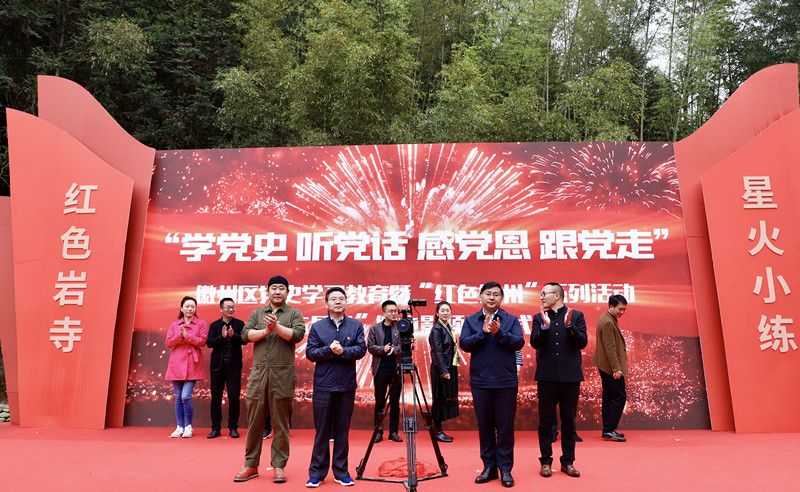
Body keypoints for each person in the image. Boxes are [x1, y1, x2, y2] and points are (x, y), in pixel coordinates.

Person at [233, 276, 306, 483]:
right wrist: (266, 330)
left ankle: (279, 466)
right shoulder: (257, 313)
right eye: (274, 288)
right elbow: (245, 335)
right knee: (255, 421)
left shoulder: (294, 313)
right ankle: (251, 464)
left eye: (282, 288)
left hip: (282, 375)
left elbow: (297, 335)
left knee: (281, 423)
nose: (277, 291)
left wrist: (277, 328)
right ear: (267, 292)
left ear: (287, 292)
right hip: (258, 375)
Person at [459, 282, 525, 488]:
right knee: (485, 426)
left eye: (496, 294)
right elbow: (464, 344)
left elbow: (519, 342)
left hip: (506, 381)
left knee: (505, 427)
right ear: (480, 297)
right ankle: (489, 467)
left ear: (502, 299)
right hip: (481, 382)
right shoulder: (471, 320)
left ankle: (505, 468)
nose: (492, 297)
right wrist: (484, 333)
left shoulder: (511, 319)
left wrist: (499, 333)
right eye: (488, 294)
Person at [305, 287, 367, 488]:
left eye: (341, 298)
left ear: (346, 302)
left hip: (346, 385)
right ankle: (317, 473)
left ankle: (341, 472)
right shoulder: (318, 327)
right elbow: (311, 353)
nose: (338, 302)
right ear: (326, 303)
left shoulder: (356, 326)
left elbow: (361, 350)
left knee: (342, 430)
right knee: (322, 431)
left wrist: (343, 352)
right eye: (333, 299)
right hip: (324, 385)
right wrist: (329, 350)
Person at [531, 283, 587, 479]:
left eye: (544, 294)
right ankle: (545, 462)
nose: (541, 297)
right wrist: (545, 327)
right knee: (545, 422)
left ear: (557, 295)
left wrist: (570, 326)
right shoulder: (539, 317)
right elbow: (534, 343)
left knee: (569, 422)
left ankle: (568, 462)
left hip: (570, 378)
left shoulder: (576, 316)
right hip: (546, 378)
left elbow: (582, 342)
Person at [165, 295, 208, 438]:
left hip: (192, 363)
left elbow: (202, 342)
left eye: (193, 306)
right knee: (178, 396)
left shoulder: (201, 324)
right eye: (187, 306)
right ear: (181, 308)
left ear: (196, 309)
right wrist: (179, 336)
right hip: (177, 362)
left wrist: (187, 337)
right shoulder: (175, 324)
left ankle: (188, 425)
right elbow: (168, 343)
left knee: (185, 396)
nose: (190, 309)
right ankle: (179, 426)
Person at [207, 297, 247, 439]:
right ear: (221, 309)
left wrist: (233, 335)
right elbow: (209, 343)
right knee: (216, 399)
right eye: (228, 307)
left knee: (234, 397)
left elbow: (244, 340)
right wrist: (221, 337)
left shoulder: (240, 324)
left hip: (233, 367)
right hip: (217, 367)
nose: (231, 309)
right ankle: (215, 428)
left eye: (233, 307)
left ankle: (233, 428)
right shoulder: (214, 325)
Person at [592, 294, 629, 442]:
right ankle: (609, 429)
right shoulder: (608, 322)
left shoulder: (605, 318)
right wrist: (616, 368)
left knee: (608, 396)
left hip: (604, 365)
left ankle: (608, 429)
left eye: (624, 309)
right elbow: (610, 348)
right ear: (611, 306)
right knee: (620, 396)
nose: (622, 312)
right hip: (610, 367)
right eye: (620, 309)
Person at [367, 300, 402, 443]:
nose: (394, 313)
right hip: (380, 370)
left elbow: (406, 346)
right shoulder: (375, 329)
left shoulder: (401, 327)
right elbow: (370, 347)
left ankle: (393, 432)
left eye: (395, 311)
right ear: (383, 313)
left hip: (396, 370)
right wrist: (383, 349)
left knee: (395, 403)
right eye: (390, 311)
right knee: (379, 403)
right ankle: (378, 431)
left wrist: (395, 349)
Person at [428, 301, 459, 442]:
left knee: (444, 398)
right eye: (443, 310)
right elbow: (438, 352)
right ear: (437, 313)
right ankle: (437, 431)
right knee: (439, 399)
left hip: (447, 366)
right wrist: (444, 371)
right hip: (440, 368)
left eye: (448, 310)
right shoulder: (437, 328)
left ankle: (439, 430)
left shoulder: (446, 327)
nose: (446, 313)